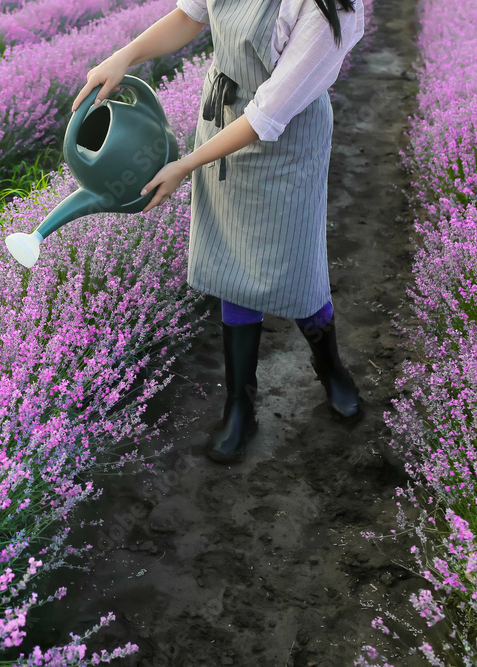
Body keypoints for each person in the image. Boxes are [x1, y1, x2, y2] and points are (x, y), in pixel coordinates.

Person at [71, 0, 365, 464]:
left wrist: (187, 164)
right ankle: (240, 404)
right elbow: (190, 15)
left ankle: (330, 368)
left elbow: (268, 114)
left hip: (285, 138)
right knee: (232, 256)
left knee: (296, 266)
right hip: (222, 116)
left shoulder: (330, 11)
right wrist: (124, 56)